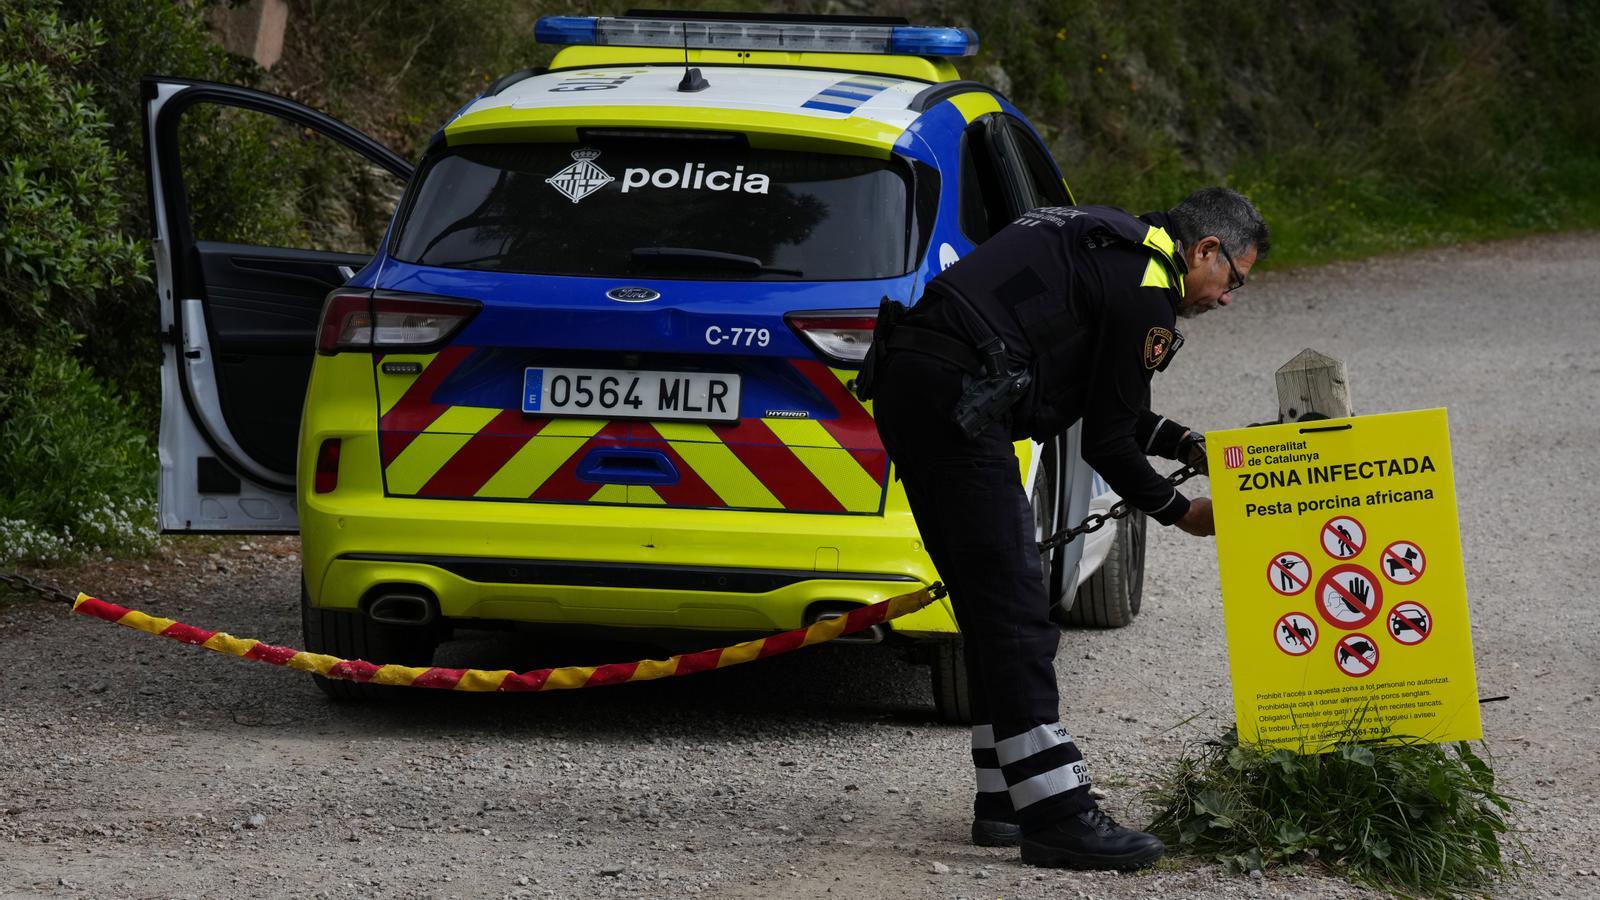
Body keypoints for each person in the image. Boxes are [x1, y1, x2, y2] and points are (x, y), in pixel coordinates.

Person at [866, 187, 1268, 870]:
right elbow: (1107, 443)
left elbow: (1100, 398)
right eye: (1233, 278)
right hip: (957, 397)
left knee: (990, 604)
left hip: (913, 380)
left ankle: (1005, 798)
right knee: (1019, 606)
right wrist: (1185, 515)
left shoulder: (1106, 241)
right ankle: (1057, 815)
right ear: (1205, 250)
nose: (1226, 298)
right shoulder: (1147, 286)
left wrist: (1186, 444)